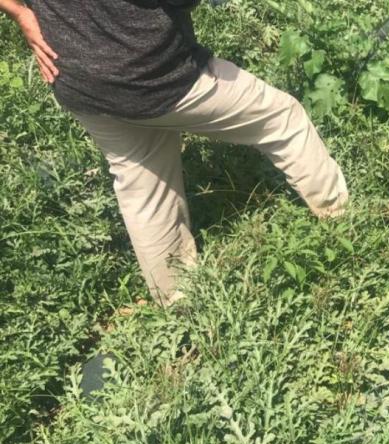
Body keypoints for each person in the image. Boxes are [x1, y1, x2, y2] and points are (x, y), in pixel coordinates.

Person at [0, 0, 350, 305]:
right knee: (281, 117)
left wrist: (20, 12)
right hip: (153, 75)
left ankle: (177, 304)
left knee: (144, 186)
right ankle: (339, 216)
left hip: (77, 78)